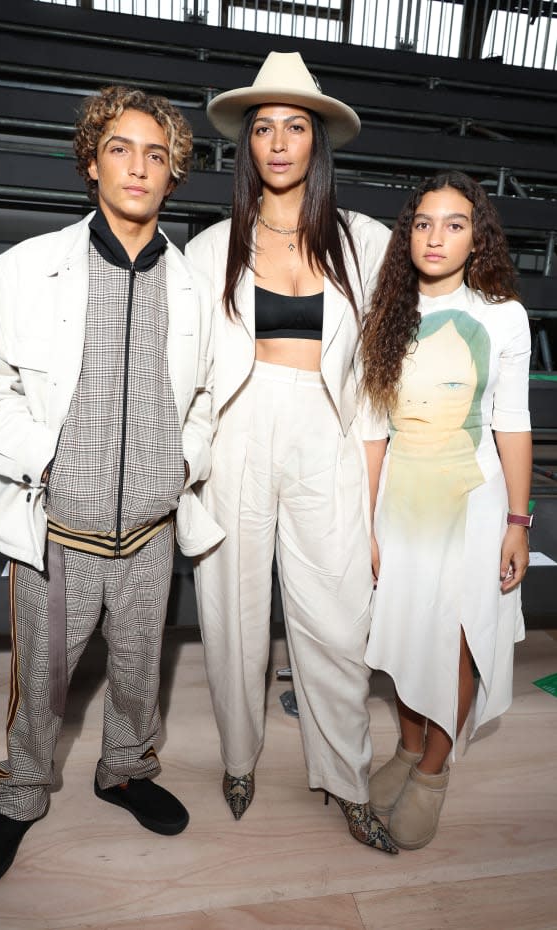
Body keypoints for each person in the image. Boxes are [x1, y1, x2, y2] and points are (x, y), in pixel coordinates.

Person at [0, 85, 223, 891]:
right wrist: (42, 458)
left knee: (140, 671)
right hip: (56, 531)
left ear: (174, 171)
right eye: (120, 148)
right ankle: (22, 793)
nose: (138, 166)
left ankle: (126, 771)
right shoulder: (25, 269)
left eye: (156, 152)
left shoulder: (196, 291)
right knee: (39, 676)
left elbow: (211, 395)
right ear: (91, 161)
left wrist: (183, 466)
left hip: (150, 531)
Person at [186, 51, 397, 854]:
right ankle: (240, 758)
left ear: (318, 142)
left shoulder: (366, 243)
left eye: (295, 127)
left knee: (338, 620)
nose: (279, 142)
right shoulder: (209, 250)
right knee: (232, 610)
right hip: (236, 435)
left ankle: (346, 779)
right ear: (247, 146)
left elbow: (387, 368)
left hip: (328, 437)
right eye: (264, 128)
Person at [362, 170, 532, 850]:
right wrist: (367, 523)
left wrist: (519, 522)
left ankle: (433, 771)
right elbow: (372, 429)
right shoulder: (385, 313)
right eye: (424, 223)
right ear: (409, 235)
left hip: (473, 503)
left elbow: (512, 423)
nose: (436, 237)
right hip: (400, 502)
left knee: (458, 636)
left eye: (455, 223)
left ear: (477, 236)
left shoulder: (503, 314)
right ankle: (406, 747)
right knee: (402, 632)